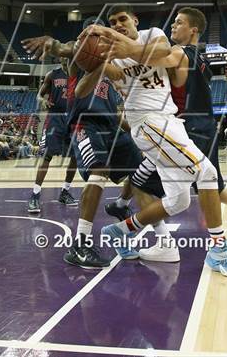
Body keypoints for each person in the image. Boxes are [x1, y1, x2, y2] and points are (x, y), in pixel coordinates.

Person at [83, 5, 227, 278]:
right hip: (149, 123)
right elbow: (94, 81)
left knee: (178, 201)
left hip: (170, 122)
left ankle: (118, 230)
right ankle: (220, 251)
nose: (117, 24)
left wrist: (125, 46)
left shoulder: (154, 34)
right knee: (206, 173)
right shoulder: (111, 56)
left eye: (122, 19)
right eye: (112, 22)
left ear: (134, 20)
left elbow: (162, 54)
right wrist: (85, 56)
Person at [23, 17, 146, 269]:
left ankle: (120, 205)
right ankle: (80, 245)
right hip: (85, 124)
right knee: (98, 172)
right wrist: (52, 44)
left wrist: (134, 131)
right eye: (91, 33)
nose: (96, 36)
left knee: (142, 167)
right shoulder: (81, 48)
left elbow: (115, 110)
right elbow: (64, 48)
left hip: (111, 124)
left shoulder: (114, 60)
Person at [28, 58, 78, 214]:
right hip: (55, 118)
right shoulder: (52, 74)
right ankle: (35, 195)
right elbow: (39, 95)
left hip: (74, 118)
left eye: (68, 55)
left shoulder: (82, 74)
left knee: (76, 156)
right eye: (62, 55)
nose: (65, 58)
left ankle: (65, 191)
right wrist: (42, 100)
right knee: (47, 156)